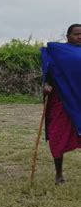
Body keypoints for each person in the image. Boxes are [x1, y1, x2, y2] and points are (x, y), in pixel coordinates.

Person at [42, 23, 81, 185]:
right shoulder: (58, 52)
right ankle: (59, 174)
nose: (80, 37)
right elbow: (49, 73)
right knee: (57, 134)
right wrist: (46, 85)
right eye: (76, 34)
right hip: (62, 100)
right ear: (68, 36)